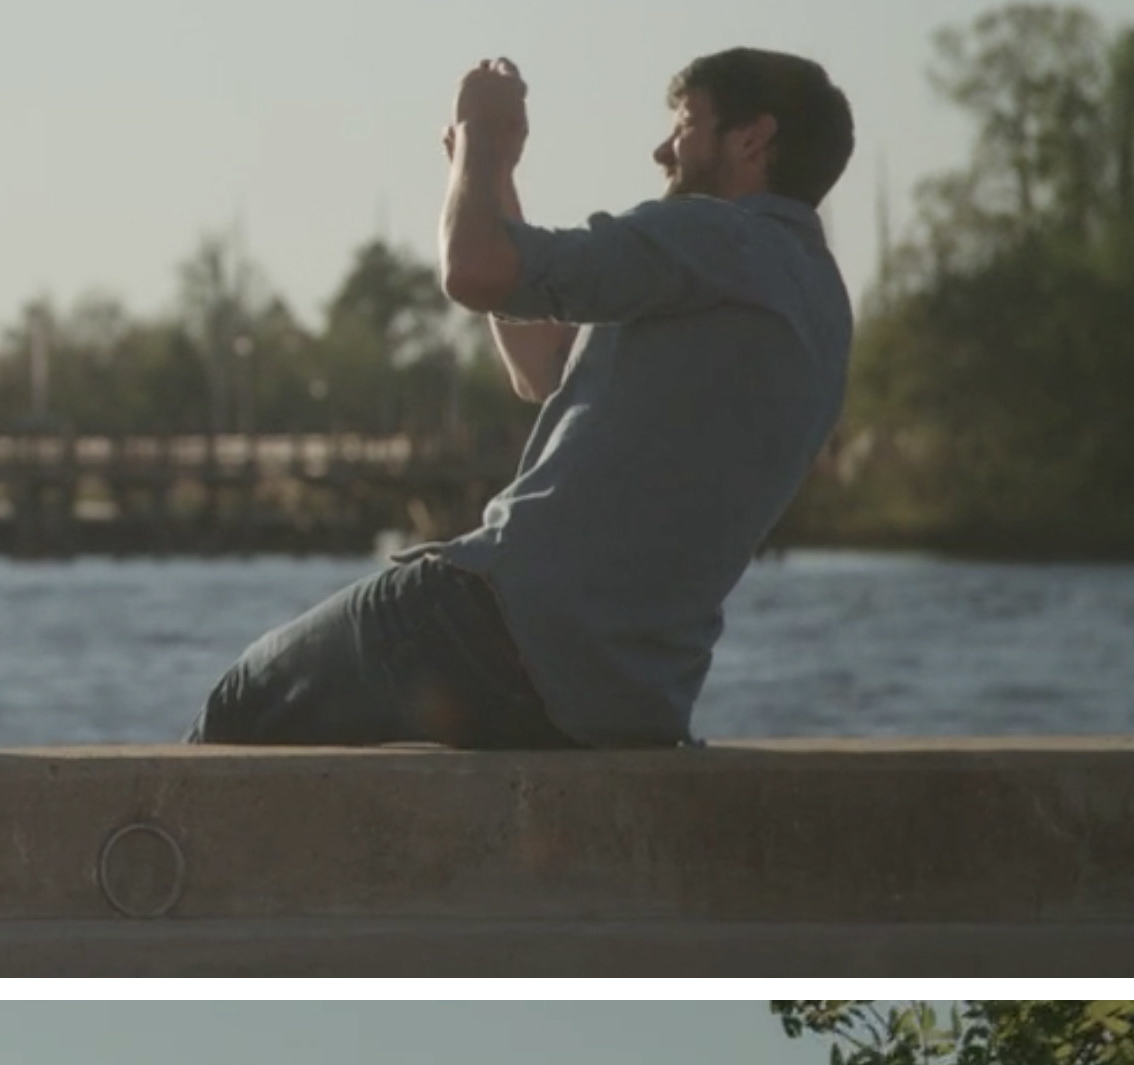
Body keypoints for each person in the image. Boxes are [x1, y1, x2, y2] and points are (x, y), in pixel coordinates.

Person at [194, 47, 855, 749]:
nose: (663, 149)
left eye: (686, 124)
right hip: (623, 693)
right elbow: (545, 367)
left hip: (489, 630)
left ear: (753, 138)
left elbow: (475, 268)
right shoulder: (817, 300)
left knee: (243, 705)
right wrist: (493, 178)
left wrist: (481, 131)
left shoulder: (712, 234)